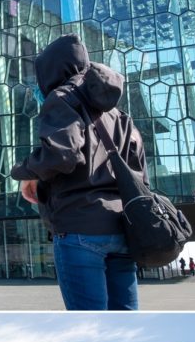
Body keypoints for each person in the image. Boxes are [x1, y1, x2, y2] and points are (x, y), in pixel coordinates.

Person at [11, 33, 147, 310]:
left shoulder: (62, 97)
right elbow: (140, 175)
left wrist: (25, 172)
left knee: (88, 317)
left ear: (50, 71)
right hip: (123, 230)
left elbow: (62, 154)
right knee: (123, 318)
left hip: (79, 227)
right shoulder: (118, 115)